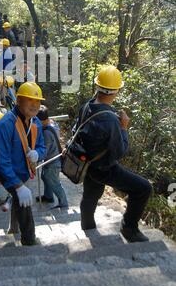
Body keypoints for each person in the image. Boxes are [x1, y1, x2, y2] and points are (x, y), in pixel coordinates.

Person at [73, 65, 152, 243]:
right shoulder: (110, 119)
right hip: (104, 168)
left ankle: (87, 227)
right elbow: (119, 151)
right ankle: (129, 228)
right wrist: (123, 128)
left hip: (88, 164)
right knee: (143, 188)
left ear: (97, 86)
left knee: (90, 196)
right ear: (116, 90)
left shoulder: (87, 106)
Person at [0, 82, 46, 246]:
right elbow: (2, 161)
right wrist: (17, 185)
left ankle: (13, 228)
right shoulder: (5, 125)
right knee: (25, 203)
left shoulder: (35, 122)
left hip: (24, 170)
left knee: (19, 199)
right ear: (18, 100)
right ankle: (29, 240)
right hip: (7, 172)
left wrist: (38, 154)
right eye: (30, 100)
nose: (35, 105)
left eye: (37, 102)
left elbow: (42, 147)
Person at [37, 105, 68, 209]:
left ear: (41, 121)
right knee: (45, 177)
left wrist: (35, 157)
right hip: (50, 161)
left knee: (54, 183)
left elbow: (44, 152)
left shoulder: (46, 133)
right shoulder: (50, 126)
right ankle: (48, 196)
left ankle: (63, 203)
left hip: (53, 162)